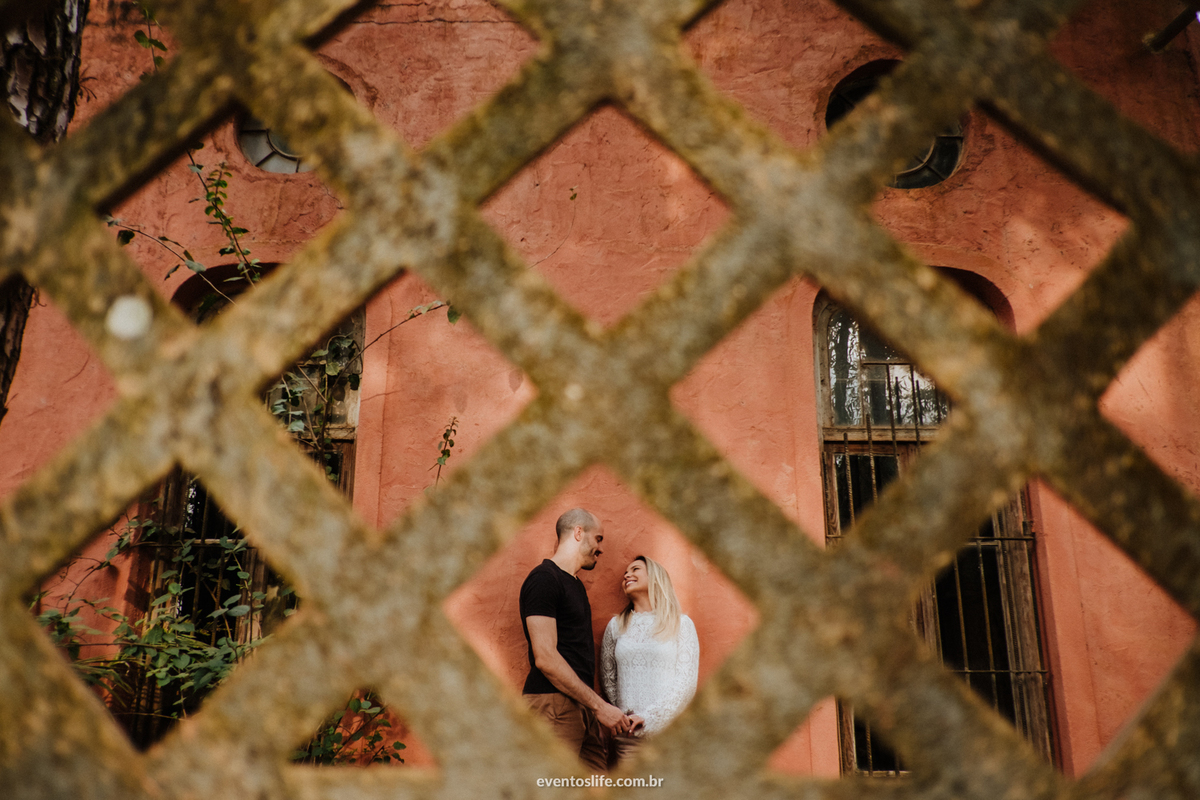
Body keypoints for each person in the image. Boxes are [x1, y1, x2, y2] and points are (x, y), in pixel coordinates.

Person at [520, 508, 634, 772]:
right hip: (553, 704)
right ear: (578, 533)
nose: (600, 547)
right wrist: (599, 706)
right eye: (598, 538)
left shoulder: (575, 584)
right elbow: (545, 657)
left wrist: (592, 707)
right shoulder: (544, 580)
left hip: (581, 705)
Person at [600, 555, 699, 764]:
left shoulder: (682, 625)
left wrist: (650, 718)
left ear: (655, 577)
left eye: (635, 569)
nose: (627, 574)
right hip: (629, 737)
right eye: (626, 572)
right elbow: (609, 678)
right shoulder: (615, 626)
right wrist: (626, 717)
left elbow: (686, 684)